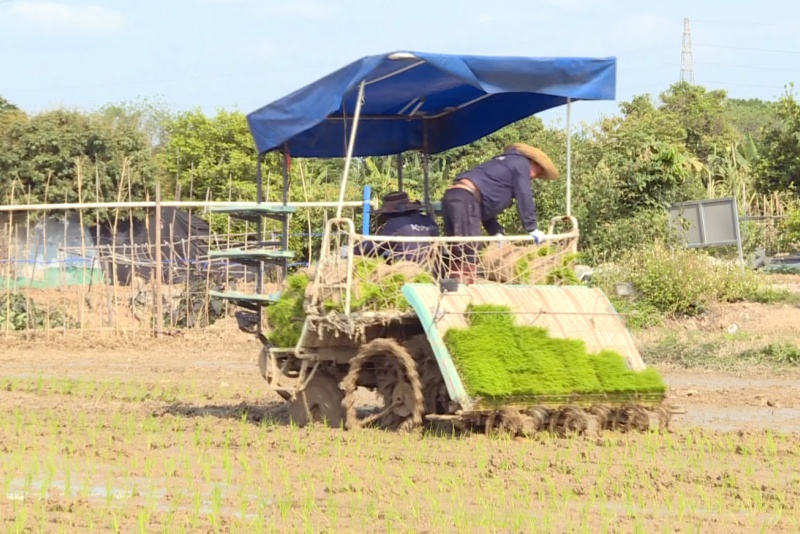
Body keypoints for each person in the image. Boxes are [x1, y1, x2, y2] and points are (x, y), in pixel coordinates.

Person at [440, 142, 559, 283]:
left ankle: (454, 282)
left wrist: (496, 230)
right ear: (532, 162)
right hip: (466, 197)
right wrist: (532, 227)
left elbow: (482, 204)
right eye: (537, 172)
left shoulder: (502, 165)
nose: (534, 177)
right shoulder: (521, 164)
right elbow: (524, 195)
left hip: (455, 195)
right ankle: (462, 286)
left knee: (457, 246)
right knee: (469, 247)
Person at [357, 191, 439, 264]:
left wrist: (351, 250)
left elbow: (373, 248)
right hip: (433, 270)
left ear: (390, 213)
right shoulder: (429, 222)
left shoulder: (396, 224)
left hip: (408, 272)